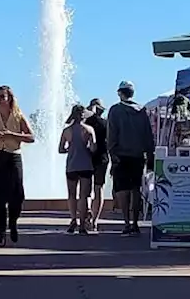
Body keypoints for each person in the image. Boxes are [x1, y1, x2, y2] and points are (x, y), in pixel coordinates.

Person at [0, 85, 34, 247]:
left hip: (13, 157)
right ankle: (1, 234)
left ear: (9, 98)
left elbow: (31, 137)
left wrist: (12, 134)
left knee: (17, 195)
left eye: (2, 97)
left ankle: (13, 222)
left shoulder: (18, 116)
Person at [107, 81, 155, 236]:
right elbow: (148, 134)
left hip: (120, 155)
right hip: (138, 155)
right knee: (136, 189)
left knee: (122, 190)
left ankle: (126, 223)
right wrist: (150, 154)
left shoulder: (115, 110)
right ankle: (135, 223)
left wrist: (112, 153)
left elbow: (112, 134)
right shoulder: (141, 111)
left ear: (120, 93)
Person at [59, 103, 97, 235]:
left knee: (71, 195)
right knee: (83, 195)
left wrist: (70, 149)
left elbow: (60, 149)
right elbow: (93, 148)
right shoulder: (89, 130)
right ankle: (82, 224)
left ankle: (73, 219)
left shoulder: (66, 131)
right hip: (86, 165)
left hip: (71, 165)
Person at [84, 98, 110, 233]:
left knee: (85, 188)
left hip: (87, 158)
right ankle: (95, 221)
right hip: (102, 158)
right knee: (99, 188)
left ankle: (87, 209)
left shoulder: (85, 124)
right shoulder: (106, 124)